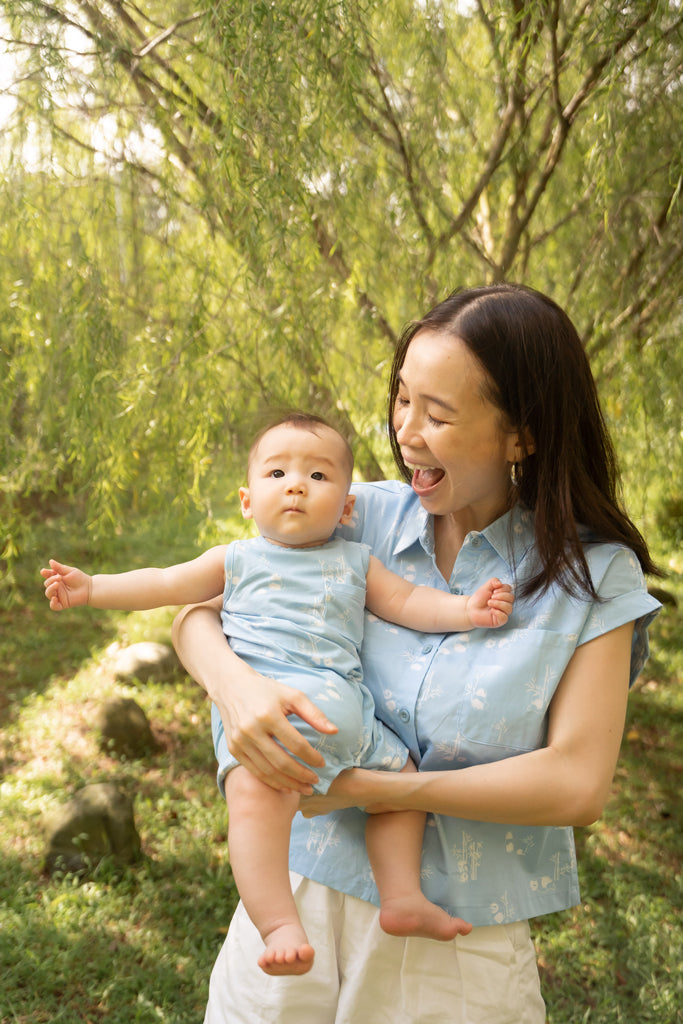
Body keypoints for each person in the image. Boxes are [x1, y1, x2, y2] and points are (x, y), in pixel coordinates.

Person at [171, 284, 662, 1024]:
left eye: (437, 414)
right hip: (297, 901)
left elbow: (575, 786)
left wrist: (388, 789)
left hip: (454, 942)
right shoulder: (352, 512)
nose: (406, 431)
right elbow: (198, 611)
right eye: (402, 399)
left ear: (520, 435)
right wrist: (236, 692)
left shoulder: (590, 579)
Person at [41, 412, 516, 975]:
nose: (295, 484)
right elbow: (167, 584)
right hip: (266, 722)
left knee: (402, 785)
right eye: (276, 473)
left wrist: (466, 609)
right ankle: (278, 923)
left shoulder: (356, 562)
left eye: (317, 476)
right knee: (253, 802)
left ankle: (402, 897)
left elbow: (411, 603)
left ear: (345, 509)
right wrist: (93, 589)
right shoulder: (235, 561)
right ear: (247, 500)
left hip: (351, 724)